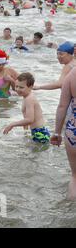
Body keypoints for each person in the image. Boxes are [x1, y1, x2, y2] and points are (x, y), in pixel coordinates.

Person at [3, 72, 50, 144]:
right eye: (16, 86)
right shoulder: (25, 97)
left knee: (36, 154)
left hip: (40, 133)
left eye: (21, 87)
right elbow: (26, 117)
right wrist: (25, 133)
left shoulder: (29, 99)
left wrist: (12, 124)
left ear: (30, 87)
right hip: (36, 131)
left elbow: (29, 119)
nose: (18, 89)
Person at [51, 67, 76, 200]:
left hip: (73, 131)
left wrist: (57, 132)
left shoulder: (72, 74)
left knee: (75, 176)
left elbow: (62, 106)